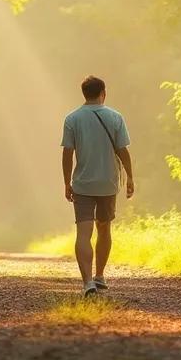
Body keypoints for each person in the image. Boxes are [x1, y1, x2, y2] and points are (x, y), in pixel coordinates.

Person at [61, 75, 134, 296]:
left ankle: (87, 283)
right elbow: (123, 151)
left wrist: (66, 182)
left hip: (82, 184)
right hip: (108, 183)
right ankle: (99, 275)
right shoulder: (115, 117)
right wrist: (130, 177)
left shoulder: (72, 119)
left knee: (84, 233)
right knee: (104, 228)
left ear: (84, 93)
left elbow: (67, 153)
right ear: (103, 93)